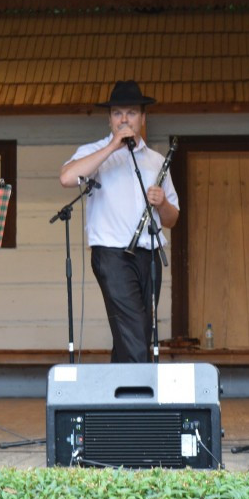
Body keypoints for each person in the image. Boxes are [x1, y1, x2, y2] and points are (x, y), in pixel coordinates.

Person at [60, 80, 180, 363]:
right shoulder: (96, 151)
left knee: (137, 332)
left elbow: (172, 219)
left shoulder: (155, 160)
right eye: (117, 113)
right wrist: (113, 146)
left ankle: (122, 400)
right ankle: (142, 400)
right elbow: (67, 178)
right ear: (109, 118)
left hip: (149, 254)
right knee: (134, 329)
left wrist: (162, 203)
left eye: (131, 113)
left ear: (142, 118)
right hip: (112, 253)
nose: (124, 119)